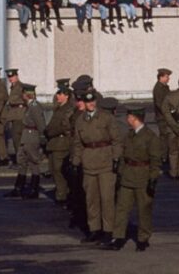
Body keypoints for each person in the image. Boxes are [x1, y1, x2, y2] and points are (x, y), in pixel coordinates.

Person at [104, 107, 162, 252]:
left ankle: (143, 238)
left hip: (143, 176)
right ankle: (118, 237)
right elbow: (124, 156)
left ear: (135, 118)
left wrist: (153, 179)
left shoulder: (150, 137)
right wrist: (120, 174)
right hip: (128, 176)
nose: (127, 119)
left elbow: (155, 160)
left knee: (144, 209)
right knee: (122, 209)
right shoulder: (129, 135)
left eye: (129, 117)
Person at [73, 89, 122, 244]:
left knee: (107, 198)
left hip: (106, 162)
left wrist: (116, 158)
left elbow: (116, 140)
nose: (91, 104)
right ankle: (94, 230)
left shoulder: (107, 118)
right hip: (88, 163)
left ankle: (108, 231)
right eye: (88, 102)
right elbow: (78, 144)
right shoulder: (80, 121)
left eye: (93, 101)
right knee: (91, 199)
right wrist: (75, 162)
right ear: (84, 103)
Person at [6, 82, 46, 199]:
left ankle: (34, 189)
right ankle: (19, 187)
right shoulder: (29, 106)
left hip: (32, 136)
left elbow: (40, 124)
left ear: (27, 94)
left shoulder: (34, 107)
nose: (21, 96)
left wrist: (42, 138)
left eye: (23, 93)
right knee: (21, 160)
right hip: (26, 136)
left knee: (33, 162)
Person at [45, 80, 75, 206]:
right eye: (58, 93)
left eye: (60, 93)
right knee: (53, 170)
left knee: (59, 170)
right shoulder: (59, 108)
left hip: (61, 143)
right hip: (54, 143)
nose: (58, 96)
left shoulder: (68, 109)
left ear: (67, 95)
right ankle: (61, 193)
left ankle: (62, 196)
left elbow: (64, 126)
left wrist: (50, 131)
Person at [158, 74, 179, 180]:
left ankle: (173, 172)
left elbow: (165, 112)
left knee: (173, 151)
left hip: (171, 127)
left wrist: (174, 125)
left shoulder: (170, 96)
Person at [151, 68, 173, 171]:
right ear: (161, 77)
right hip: (162, 117)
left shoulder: (164, 87)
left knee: (166, 137)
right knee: (164, 137)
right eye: (167, 76)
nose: (168, 78)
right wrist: (168, 112)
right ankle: (163, 157)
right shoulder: (158, 89)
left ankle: (165, 155)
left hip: (166, 116)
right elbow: (160, 104)